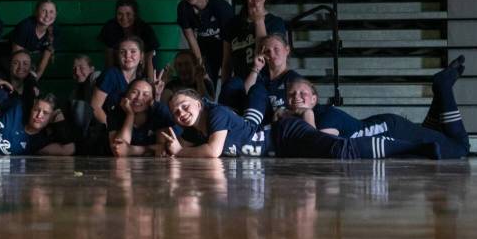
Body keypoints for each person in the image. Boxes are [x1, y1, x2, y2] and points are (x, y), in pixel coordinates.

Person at [160, 84, 441, 159]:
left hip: (286, 134)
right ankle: (413, 146)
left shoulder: (216, 113)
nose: (181, 113)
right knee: (339, 151)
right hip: (285, 150)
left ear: (198, 103)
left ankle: (414, 147)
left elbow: (212, 153)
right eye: (176, 112)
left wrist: (180, 153)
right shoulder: (196, 133)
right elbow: (170, 149)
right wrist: (169, 151)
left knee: (341, 150)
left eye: (185, 106)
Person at [286, 56, 470, 159]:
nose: (297, 97)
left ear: (314, 99)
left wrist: (306, 113)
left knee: (460, 147)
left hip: (391, 130)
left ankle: (442, 86)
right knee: (432, 133)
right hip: (385, 127)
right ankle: (440, 94)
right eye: (292, 95)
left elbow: (317, 145)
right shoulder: (300, 118)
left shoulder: (324, 115)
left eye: (303, 93)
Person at [219, 0, 288, 111]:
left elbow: (263, 53)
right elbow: (226, 61)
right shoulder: (232, 24)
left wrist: (259, 21)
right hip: (239, 82)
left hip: (264, 81)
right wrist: (224, 88)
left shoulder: (275, 22)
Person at [176, 0, 234, 84]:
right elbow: (191, 38)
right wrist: (200, 64)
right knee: (205, 80)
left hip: (225, 44)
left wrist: (226, 66)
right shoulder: (183, 8)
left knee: (228, 81)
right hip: (205, 46)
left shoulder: (221, 7)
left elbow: (228, 41)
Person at [89, 36, 155, 126]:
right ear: (118, 56)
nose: (127, 55)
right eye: (122, 52)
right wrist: (112, 130)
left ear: (141, 56)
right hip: (107, 130)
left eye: (133, 51)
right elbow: (95, 107)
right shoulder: (110, 75)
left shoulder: (141, 80)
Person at [0, 0, 58, 80]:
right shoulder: (25, 27)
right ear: (36, 12)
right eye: (44, 11)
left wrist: (35, 79)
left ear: (56, 14)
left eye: (51, 12)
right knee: (8, 85)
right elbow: (18, 59)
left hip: (18, 59)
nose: (47, 15)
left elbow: (44, 61)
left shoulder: (54, 31)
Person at [109, 79, 176, 157]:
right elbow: (119, 151)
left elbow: (162, 149)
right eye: (134, 92)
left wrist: (131, 150)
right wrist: (130, 115)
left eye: (146, 94)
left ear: (152, 100)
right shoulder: (115, 112)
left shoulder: (159, 111)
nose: (139, 98)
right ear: (126, 95)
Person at [98, 0, 160, 80]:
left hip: (140, 71)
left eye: (128, 14)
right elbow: (109, 59)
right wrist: (111, 80)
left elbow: (149, 58)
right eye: (120, 14)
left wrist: (151, 83)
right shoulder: (110, 28)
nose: (124, 18)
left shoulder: (145, 29)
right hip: (119, 71)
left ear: (135, 15)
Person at [242, 33, 303, 116]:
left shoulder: (294, 79)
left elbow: (302, 109)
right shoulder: (259, 77)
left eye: (276, 49)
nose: (271, 54)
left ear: (287, 50)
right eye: (267, 51)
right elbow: (245, 94)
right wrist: (256, 68)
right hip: (258, 123)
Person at [68, 54, 100, 136]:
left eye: (82, 68)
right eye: (74, 69)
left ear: (91, 69)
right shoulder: (74, 93)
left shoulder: (95, 76)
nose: (77, 73)